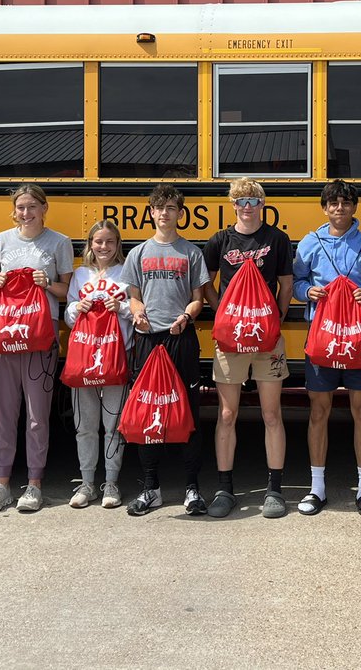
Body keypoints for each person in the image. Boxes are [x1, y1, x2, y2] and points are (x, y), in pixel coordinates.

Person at [293, 179, 361, 517]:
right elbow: (297, 283)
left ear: (354, 207)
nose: (339, 208)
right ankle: (316, 487)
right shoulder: (309, 243)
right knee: (319, 411)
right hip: (322, 338)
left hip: (357, 338)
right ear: (324, 207)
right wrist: (308, 293)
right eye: (333, 202)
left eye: (346, 202)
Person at [202, 178, 293, 520]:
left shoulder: (277, 239)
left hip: (266, 337)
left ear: (263, 204)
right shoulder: (220, 240)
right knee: (227, 414)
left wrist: (278, 316)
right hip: (231, 338)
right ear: (233, 205)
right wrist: (221, 311)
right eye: (242, 201)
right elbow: (205, 281)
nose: (248, 207)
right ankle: (225, 488)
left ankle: (274, 489)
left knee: (272, 414)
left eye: (254, 201)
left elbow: (286, 283)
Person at [0, 185, 73, 514]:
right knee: (3, 414)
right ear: (13, 210)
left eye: (32, 206)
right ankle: (2, 484)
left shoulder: (58, 242)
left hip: (41, 335)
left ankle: (34, 484)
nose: (26, 212)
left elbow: (66, 291)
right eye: (20, 207)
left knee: (36, 417)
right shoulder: (0, 241)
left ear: (45, 208)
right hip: (5, 336)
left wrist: (47, 283)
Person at [119, 184, 210, 516]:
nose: (164, 213)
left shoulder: (190, 252)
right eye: (159, 207)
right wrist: (137, 310)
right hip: (148, 339)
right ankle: (150, 487)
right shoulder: (139, 253)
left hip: (180, 338)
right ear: (151, 212)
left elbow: (199, 299)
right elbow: (132, 295)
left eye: (171, 207)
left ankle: (191, 488)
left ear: (180, 213)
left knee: (187, 412)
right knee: (148, 412)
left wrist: (186, 316)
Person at [65, 219, 133, 509]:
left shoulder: (127, 273)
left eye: (109, 241)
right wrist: (75, 308)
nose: (103, 246)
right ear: (90, 244)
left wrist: (122, 307)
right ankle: (87, 482)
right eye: (98, 241)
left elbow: (137, 310)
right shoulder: (80, 275)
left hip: (117, 354)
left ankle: (112, 482)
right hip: (84, 356)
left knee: (114, 424)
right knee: (86, 424)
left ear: (118, 245)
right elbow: (68, 315)